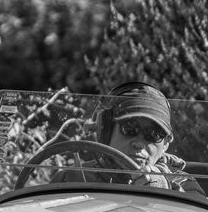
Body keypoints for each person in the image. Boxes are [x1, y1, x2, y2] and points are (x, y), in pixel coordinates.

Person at [54, 81, 200, 193]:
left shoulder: (184, 183)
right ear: (105, 131)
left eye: (154, 134)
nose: (139, 144)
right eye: (129, 129)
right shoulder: (71, 179)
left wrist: (165, 192)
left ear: (166, 144)